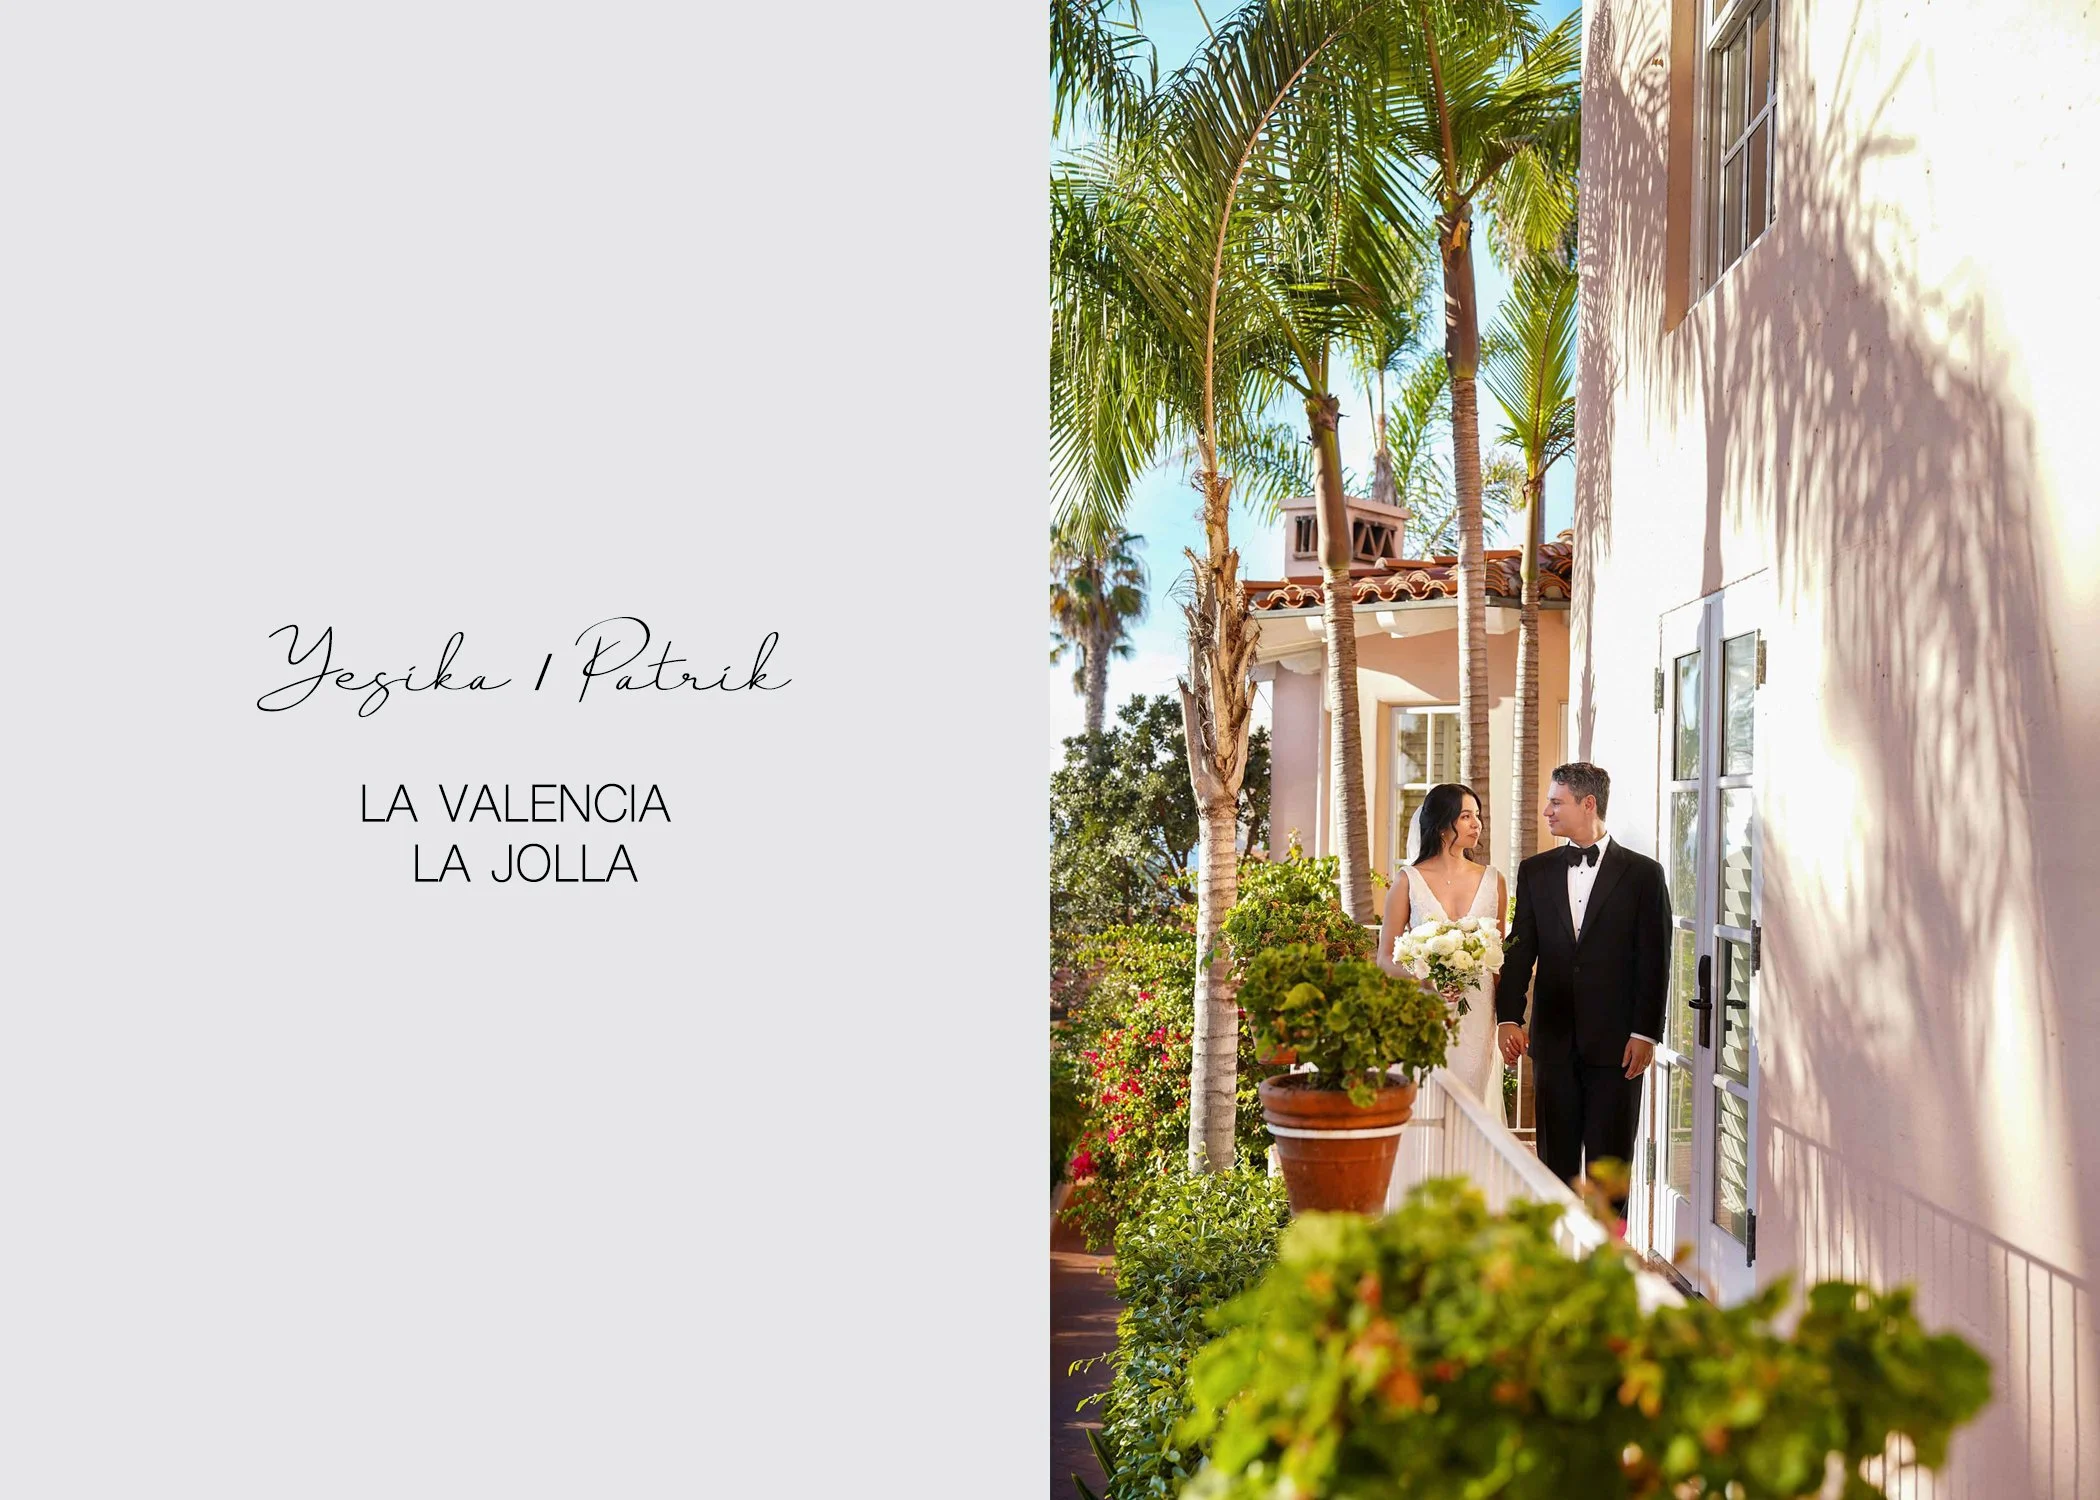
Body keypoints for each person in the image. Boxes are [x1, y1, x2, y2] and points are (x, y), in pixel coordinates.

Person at [1494, 762, 1671, 1207]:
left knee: (1610, 1170)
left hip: (1618, 1048)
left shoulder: (1644, 876)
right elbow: (1519, 950)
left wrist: (1644, 1033)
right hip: (1553, 1044)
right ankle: (1559, 1262)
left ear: (1587, 804)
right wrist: (1509, 1017)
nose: (1547, 811)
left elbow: (1655, 960)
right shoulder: (1534, 871)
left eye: (1557, 802)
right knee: (1555, 1167)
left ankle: (1607, 1264)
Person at [1379, 782, 1506, 1112]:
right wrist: (1426, 979)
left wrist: (1509, 1021)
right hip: (1429, 1015)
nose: (1476, 824)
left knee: (1474, 1109)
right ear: (1440, 824)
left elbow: (1500, 962)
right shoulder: (1408, 880)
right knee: (1429, 1105)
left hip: (1479, 1016)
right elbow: (1384, 959)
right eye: (1466, 816)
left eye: (1477, 816)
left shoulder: (1495, 881)